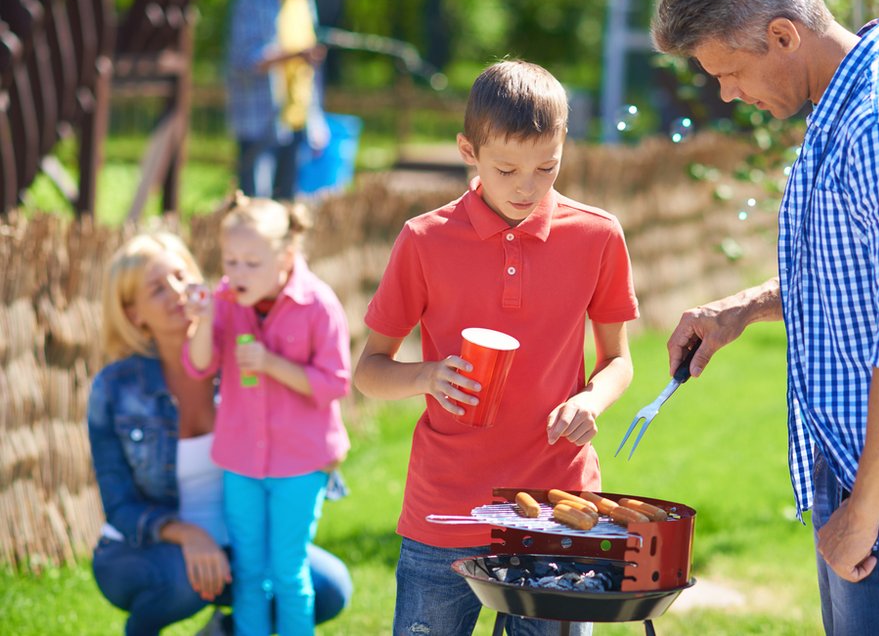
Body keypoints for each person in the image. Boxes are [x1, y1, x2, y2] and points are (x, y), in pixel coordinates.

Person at [652, 0, 879, 634]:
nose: (725, 94)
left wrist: (864, 513)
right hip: (870, 475)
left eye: (729, 72)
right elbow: (860, 271)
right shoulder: (853, 106)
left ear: (782, 36)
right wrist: (743, 308)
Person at [353, 59, 639, 635]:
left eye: (547, 168)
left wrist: (593, 401)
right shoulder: (425, 240)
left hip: (558, 508)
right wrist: (426, 376)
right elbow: (369, 370)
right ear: (468, 151)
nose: (527, 187)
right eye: (506, 169)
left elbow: (618, 361)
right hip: (445, 507)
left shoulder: (598, 235)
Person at [87, 233, 353, 636]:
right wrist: (188, 535)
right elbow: (118, 504)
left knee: (329, 588)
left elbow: (298, 420)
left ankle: (223, 632)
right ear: (133, 314)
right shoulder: (114, 387)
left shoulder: (238, 355)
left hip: (239, 542)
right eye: (158, 289)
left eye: (181, 276)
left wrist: (328, 455)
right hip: (143, 548)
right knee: (183, 580)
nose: (177, 292)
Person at [184, 195, 352, 636]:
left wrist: (274, 364)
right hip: (241, 462)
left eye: (251, 263)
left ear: (286, 256)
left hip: (300, 464)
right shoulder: (223, 298)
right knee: (248, 572)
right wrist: (202, 320)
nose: (237, 273)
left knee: (287, 570)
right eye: (231, 260)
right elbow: (200, 365)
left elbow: (336, 383)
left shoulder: (318, 304)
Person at [226, 0, 329, 201]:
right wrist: (292, 55)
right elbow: (243, 60)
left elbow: (312, 70)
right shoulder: (252, 0)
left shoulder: (305, 1)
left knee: (287, 204)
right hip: (259, 122)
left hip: (298, 120)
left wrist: (317, 118)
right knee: (256, 207)